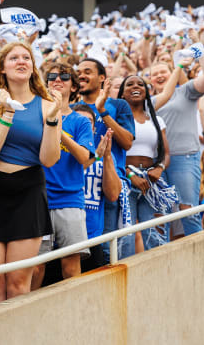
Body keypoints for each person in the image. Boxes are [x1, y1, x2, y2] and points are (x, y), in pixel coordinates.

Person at [0, 41, 61, 306]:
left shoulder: (47, 105)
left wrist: (53, 120)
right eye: (14, 58)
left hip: (28, 190)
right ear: (3, 68)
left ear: (33, 67)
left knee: (19, 284)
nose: (21, 62)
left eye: (26, 58)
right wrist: (7, 113)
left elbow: (49, 159)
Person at [32, 63, 94, 290]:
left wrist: (58, 128)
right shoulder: (35, 115)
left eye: (65, 76)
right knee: (35, 268)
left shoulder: (80, 121)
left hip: (69, 200)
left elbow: (84, 158)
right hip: (38, 199)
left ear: (74, 85)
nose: (58, 80)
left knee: (71, 267)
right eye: (52, 76)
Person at [151, 40, 204, 237]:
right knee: (159, 216)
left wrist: (198, 50)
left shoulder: (186, 91)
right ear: (150, 79)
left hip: (185, 158)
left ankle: (199, 260)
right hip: (156, 163)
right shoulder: (146, 100)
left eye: (164, 71)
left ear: (173, 72)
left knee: (188, 212)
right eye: (155, 74)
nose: (160, 76)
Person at [76, 58, 135, 261]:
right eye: (79, 72)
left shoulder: (118, 105)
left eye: (87, 71)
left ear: (102, 78)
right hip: (79, 183)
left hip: (109, 183)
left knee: (108, 252)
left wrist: (102, 110)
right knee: (77, 250)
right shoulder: (72, 107)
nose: (81, 75)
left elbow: (127, 142)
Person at [118, 75, 172, 250]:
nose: (136, 87)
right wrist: (130, 174)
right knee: (126, 236)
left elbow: (166, 154)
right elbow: (110, 154)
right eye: (130, 84)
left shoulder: (156, 120)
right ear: (122, 94)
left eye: (141, 84)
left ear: (147, 92)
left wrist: (159, 168)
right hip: (125, 180)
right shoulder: (117, 119)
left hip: (150, 183)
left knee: (153, 235)